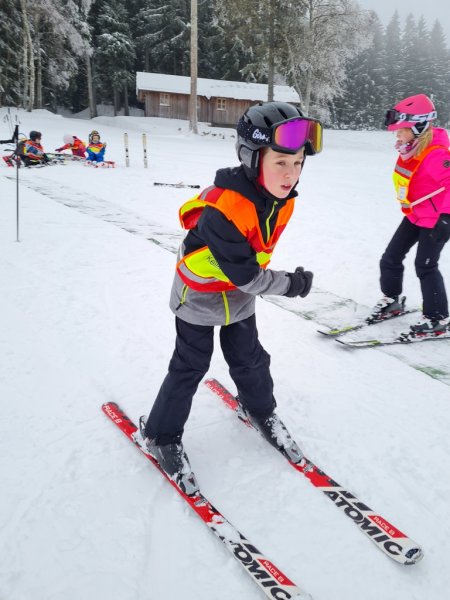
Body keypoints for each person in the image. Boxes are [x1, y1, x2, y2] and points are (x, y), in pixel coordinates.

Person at [141, 101, 323, 495]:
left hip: (236, 296)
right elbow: (249, 276)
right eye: (281, 162)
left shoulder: (276, 197)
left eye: (298, 163)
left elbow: (249, 265)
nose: (291, 174)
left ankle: (259, 410)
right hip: (198, 295)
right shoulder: (223, 210)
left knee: (250, 357)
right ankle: (160, 435)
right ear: (251, 158)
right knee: (190, 365)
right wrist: (292, 284)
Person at [370, 94, 450, 335]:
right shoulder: (411, 149)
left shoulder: (437, 154)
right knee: (390, 258)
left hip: (436, 219)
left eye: (402, 130)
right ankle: (392, 300)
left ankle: (438, 318)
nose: (398, 135)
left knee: (425, 266)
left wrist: (446, 217)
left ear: (419, 127)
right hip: (416, 214)